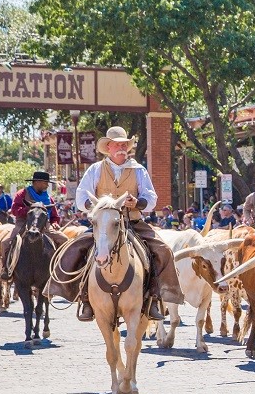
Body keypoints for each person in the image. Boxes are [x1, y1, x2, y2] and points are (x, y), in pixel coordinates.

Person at [46, 126, 184, 322]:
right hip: (103, 224)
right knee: (76, 248)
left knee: (163, 250)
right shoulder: (95, 169)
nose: (121, 147)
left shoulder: (139, 170)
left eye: (124, 144)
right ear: (108, 147)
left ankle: (154, 297)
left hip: (132, 221)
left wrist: (137, 203)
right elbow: (81, 197)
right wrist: (95, 205)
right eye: (117, 144)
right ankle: (84, 298)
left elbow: (151, 198)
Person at [0, 171, 60, 281]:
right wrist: (31, 210)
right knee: (6, 243)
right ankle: (6, 268)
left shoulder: (48, 198)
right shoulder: (22, 193)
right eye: (45, 183)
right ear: (37, 182)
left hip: (44, 226)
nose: (47, 185)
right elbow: (14, 210)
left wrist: (55, 223)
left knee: (64, 239)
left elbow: (55, 216)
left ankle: (60, 270)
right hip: (23, 223)